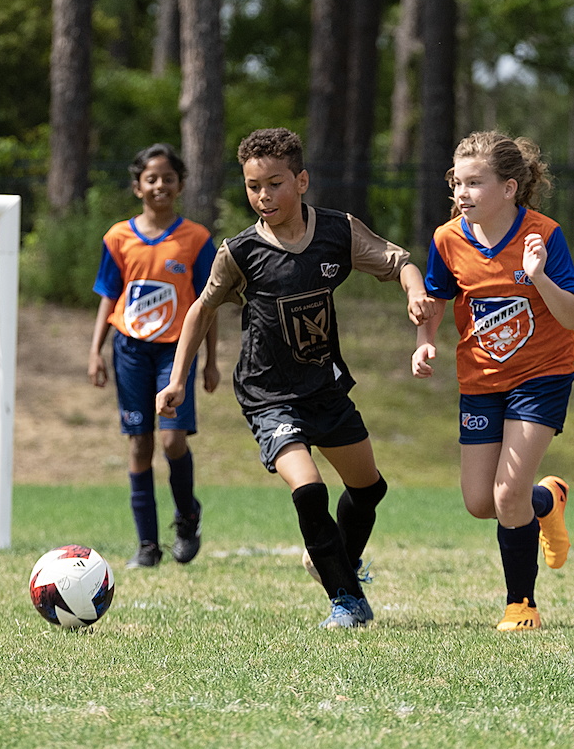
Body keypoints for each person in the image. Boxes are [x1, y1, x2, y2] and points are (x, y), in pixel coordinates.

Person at [157, 128, 434, 629]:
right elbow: (200, 309)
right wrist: (178, 380)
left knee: (368, 489)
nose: (263, 196)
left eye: (275, 184)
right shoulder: (239, 252)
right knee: (308, 489)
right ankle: (346, 599)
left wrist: (414, 294)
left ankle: (331, 562)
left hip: (324, 387)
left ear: (301, 181)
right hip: (267, 394)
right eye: (253, 186)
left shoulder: (337, 231)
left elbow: (402, 266)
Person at [412, 132, 574, 631]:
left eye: (475, 183)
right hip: (480, 379)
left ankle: (521, 604)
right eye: (457, 183)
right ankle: (547, 500)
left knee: (508, 496)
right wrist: (425, 339)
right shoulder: (447, 238)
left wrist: (538, 276)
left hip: (542, 375)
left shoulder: (544, 235)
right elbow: (437, 298)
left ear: (509, 188)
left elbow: (572, 316)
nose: (462, 193)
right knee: (481, 503)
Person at [89, 143, 219, 569]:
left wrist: (212, 361)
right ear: (137, 186)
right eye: (151, 177)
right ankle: (147, 546)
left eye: (167, 177)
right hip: (128, 349)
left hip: (176, 353)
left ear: (179, 184)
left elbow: (208, 303)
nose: (159, 184)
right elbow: (109, 297)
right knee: (140, 444)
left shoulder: (197, 239)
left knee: (171, 440)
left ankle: (187, 517)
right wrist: (96, 352)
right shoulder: (118, 237)